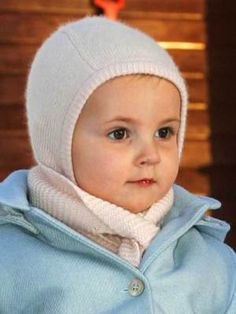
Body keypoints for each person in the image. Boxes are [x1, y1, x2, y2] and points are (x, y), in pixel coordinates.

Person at [0, 16, 235, 314]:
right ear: (58, 141)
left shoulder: (210, 263)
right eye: (120, 133)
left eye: (164, 133)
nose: (150, 154)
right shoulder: (9, 261)